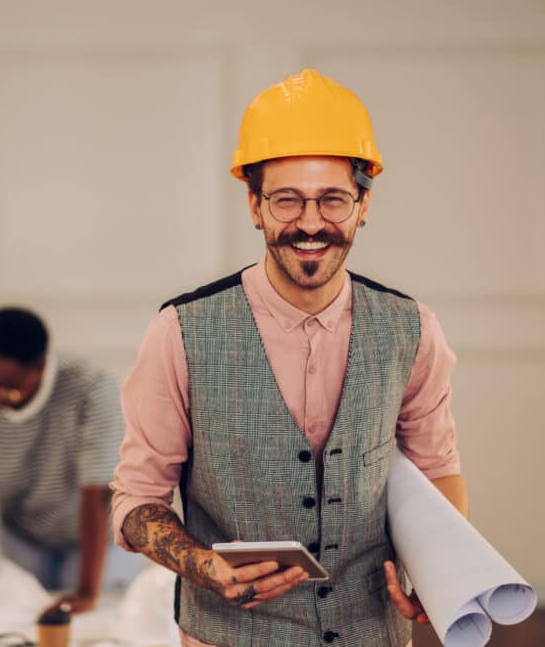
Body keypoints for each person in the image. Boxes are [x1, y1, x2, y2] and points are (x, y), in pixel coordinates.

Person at [110, 69, 469, 647]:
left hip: (372, 632)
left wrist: (438, 573)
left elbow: (438, 472)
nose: (309, 223)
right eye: (286, 200)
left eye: (332, 200)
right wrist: (206, 567)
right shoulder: (179, 331)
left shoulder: (412, 329)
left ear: (363, 205)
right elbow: (137, 502)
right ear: (254, 206)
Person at [0, 306, 141, 612]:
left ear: (40, 368)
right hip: (23, 537)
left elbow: (97, 495)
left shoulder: (90, 387)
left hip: (96, 540)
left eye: (9, 390)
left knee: (92, 625)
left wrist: (86, 592)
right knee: (21, 622)